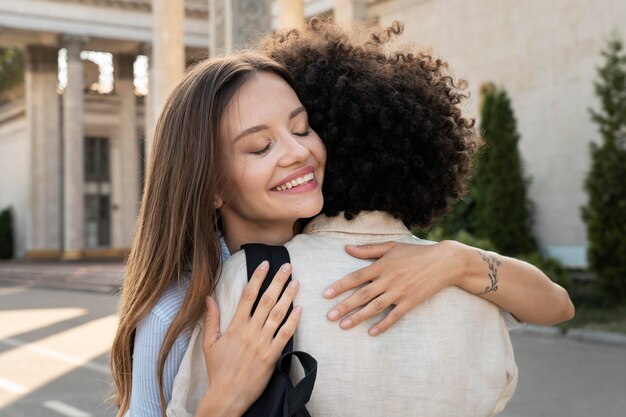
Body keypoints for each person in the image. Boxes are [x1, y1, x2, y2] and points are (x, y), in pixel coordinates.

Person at [165, 20, 574, 417]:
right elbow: (558, 305)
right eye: (261, 146)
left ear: (329, 142)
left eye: (303, 129)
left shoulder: (254, 280)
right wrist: (459, 260)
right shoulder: (469, 287)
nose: (296, 153)